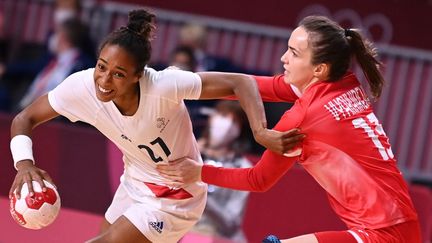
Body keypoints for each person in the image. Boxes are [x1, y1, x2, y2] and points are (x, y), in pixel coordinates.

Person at [8, 9, 303, 243]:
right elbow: (25, 118)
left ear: (139, 75)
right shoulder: (82, 86)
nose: (104, 81)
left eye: (119, 74)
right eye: (101, 67)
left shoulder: (164, 85)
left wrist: (261, 131)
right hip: (134, 183)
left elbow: (241, 82)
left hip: (176, 196)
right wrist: (24, 164)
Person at [156, 15, 421, 243]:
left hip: (380, 236)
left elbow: (257, 180)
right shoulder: (343, 81)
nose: (283, 58)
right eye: (288, 48)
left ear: (319, 68)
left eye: (294, 53)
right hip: (402, 226)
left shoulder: (304, 118)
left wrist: (198, 172)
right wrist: (178, 83)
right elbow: (246, 85)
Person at [192, 100, 253, 242]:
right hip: (180, 231)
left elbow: (231, 223)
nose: (226, 124)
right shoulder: (190, 154)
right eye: (223, 115)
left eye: (234, 121)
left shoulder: (243, 167)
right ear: (211, 118)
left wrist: (203, 198)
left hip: (218, 236)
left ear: (241, 129)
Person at [18, 17, 95, 109]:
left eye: (56, 33)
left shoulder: (82, 63)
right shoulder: (51, 59)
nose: (53, 37)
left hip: (54, 113)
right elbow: (29, 67)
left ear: (63, 37)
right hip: (28, 106)